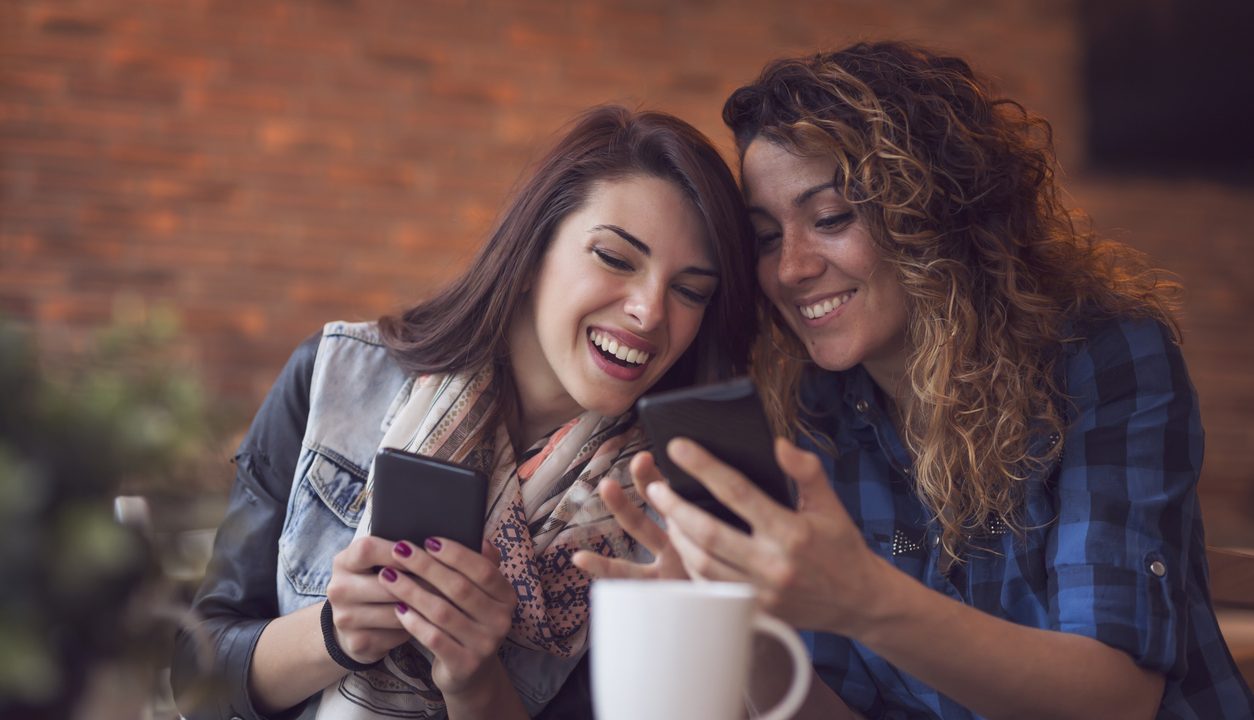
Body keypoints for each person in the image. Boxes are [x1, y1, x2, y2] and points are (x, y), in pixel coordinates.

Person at [575, 42, 1254, 718]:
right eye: (766, 237)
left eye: (832, 218)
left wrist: (865, 598)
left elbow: (1115, 699)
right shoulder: (816, 410)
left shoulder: (1100, 357)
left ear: (934, 212)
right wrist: (732, 624)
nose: (791, 268)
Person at [171, 105, 758, 720]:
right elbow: (194, 673)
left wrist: (477, 681)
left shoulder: (670, 511)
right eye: (615, 258)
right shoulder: (335, 378)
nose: (650, 312)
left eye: (690, 290)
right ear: (532, 255)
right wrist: (334, 633)